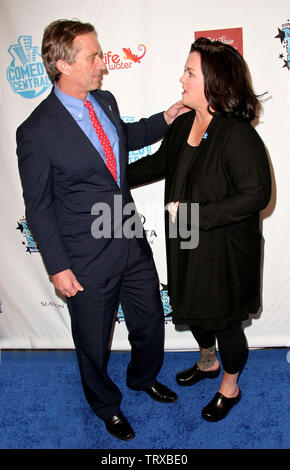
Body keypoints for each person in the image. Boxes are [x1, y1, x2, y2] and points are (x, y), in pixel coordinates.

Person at [16, 19, 188, 441]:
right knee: (93, 342)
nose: (102, 64)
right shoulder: (36, 132)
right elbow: (38, 207)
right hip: (84, 257)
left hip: (128, 235)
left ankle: (142, 377)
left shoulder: (105, 101)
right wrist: (57, 267)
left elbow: (124, 137)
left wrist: (164, 118)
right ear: (62, 64)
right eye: (93, 57)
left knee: (149, 321)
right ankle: (106, 405)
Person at [127, 38, 271, 422]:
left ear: (215, 82)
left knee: (224, 320)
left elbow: (256, 194)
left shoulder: (237, 134)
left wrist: (196, 213)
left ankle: (230, 385)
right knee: (194, 308)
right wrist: (110, 177)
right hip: (186, 239)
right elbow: (158, 164)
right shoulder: (185, 124)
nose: (181, 78)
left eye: (190, 73)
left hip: (224, 248)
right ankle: (207, 362)